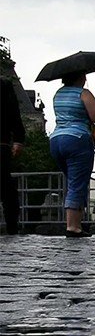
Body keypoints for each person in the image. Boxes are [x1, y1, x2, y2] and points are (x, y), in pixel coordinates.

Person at [49, 72, 95, 237]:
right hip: (77, 139)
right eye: (84, 76)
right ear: (80, 78)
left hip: (56, 140)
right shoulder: (83, 93)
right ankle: (73, 226)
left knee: (73, 181)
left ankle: (77, 223)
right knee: (77, 183)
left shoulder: (58, 94)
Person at [1, 78, 26, 234]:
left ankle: (12, 225)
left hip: (1, 142)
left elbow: (13, 113)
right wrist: (18, 139)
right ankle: (12, 225)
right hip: (2, 143)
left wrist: (18, 138)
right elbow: (14, 113)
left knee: (5, 185)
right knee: (6, 186)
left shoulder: (4, 86)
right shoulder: (4, 85)